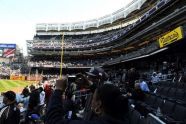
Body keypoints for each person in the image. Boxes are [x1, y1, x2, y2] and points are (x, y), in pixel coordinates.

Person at [46, 76, 129, 124]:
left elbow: (53, 121)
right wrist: (91, 86)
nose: (91, 100)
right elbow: (108, 94)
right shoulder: (123, 117)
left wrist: (58, 90)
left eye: (93, 98)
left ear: (98, 105)